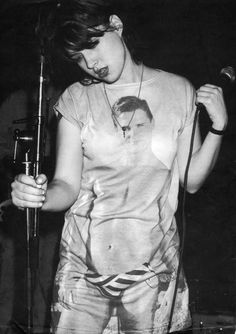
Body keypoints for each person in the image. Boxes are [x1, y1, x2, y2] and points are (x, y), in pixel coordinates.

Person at [11, 0, 228, 333]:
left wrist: (218, 128)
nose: (90, 63)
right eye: (78, 58)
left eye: (93, 45)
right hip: (83, 270)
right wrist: (38, 196)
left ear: (116, 24)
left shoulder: (179, 90)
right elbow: (66, 186)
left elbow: (192, 180)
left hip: (153, 268)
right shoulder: (75, 99)